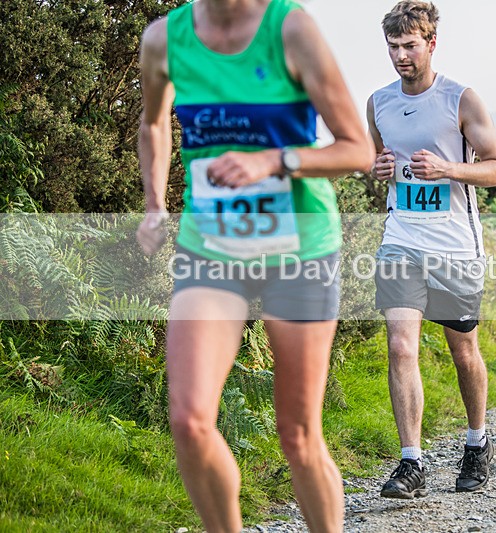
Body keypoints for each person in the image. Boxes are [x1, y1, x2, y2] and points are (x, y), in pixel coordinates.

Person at [136, 1, 373, 531]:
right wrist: (154, 204)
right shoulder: (164, 39)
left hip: (300, 246)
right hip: (211, 247)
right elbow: (153, 123)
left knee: (298, 434)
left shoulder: (291, 28)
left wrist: (273, 159)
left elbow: (357, 149)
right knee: (191, 422)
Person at [366, 0, 496, 499]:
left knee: (463, 350)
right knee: (401, 343)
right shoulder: (379, 102)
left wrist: (449, 169)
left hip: (454, 246)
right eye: (393, 46)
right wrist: (378, 169)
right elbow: (377, 162)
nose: (401, 55)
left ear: (432, 43)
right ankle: (411, 463)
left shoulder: (460, 100)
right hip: (401, 240)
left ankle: (477, 443)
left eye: (410, 45)